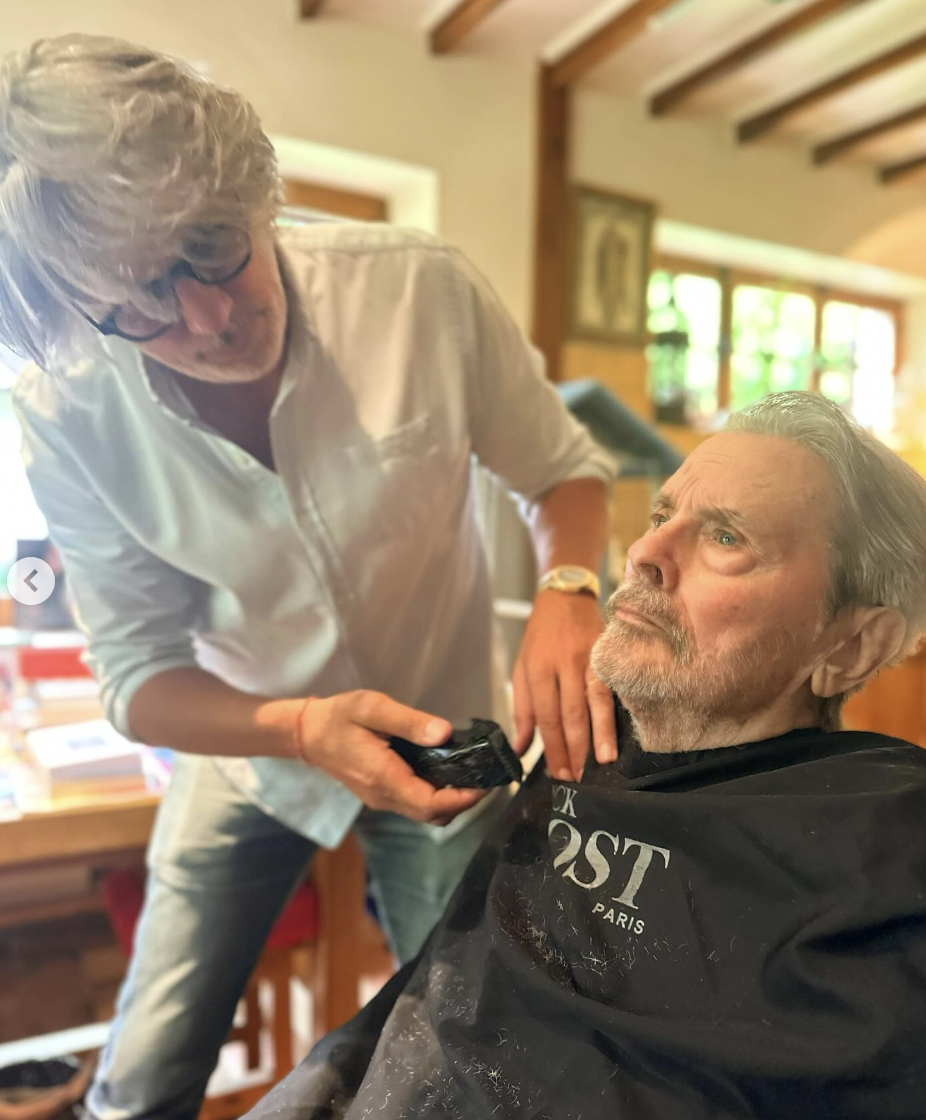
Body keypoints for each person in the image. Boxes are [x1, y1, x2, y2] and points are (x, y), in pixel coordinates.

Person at [0, 34, 618, 1120]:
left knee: (471, 1047)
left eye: (209, 247)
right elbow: (137, 676)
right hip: (251, 748)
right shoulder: (66, 409)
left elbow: (563, 470)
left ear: (251, 187)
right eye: (137, 302)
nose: (205, 320)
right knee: (139, 1078)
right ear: (80, 310)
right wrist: (296, 727)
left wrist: (569, 587)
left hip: (444, 732)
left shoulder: (419, 290)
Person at [246, 391, 926, 1120]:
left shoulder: (888, 843)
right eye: (662, 516)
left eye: (727, 538)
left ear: (854, 644)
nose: (642, 553)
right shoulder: (586, 734)